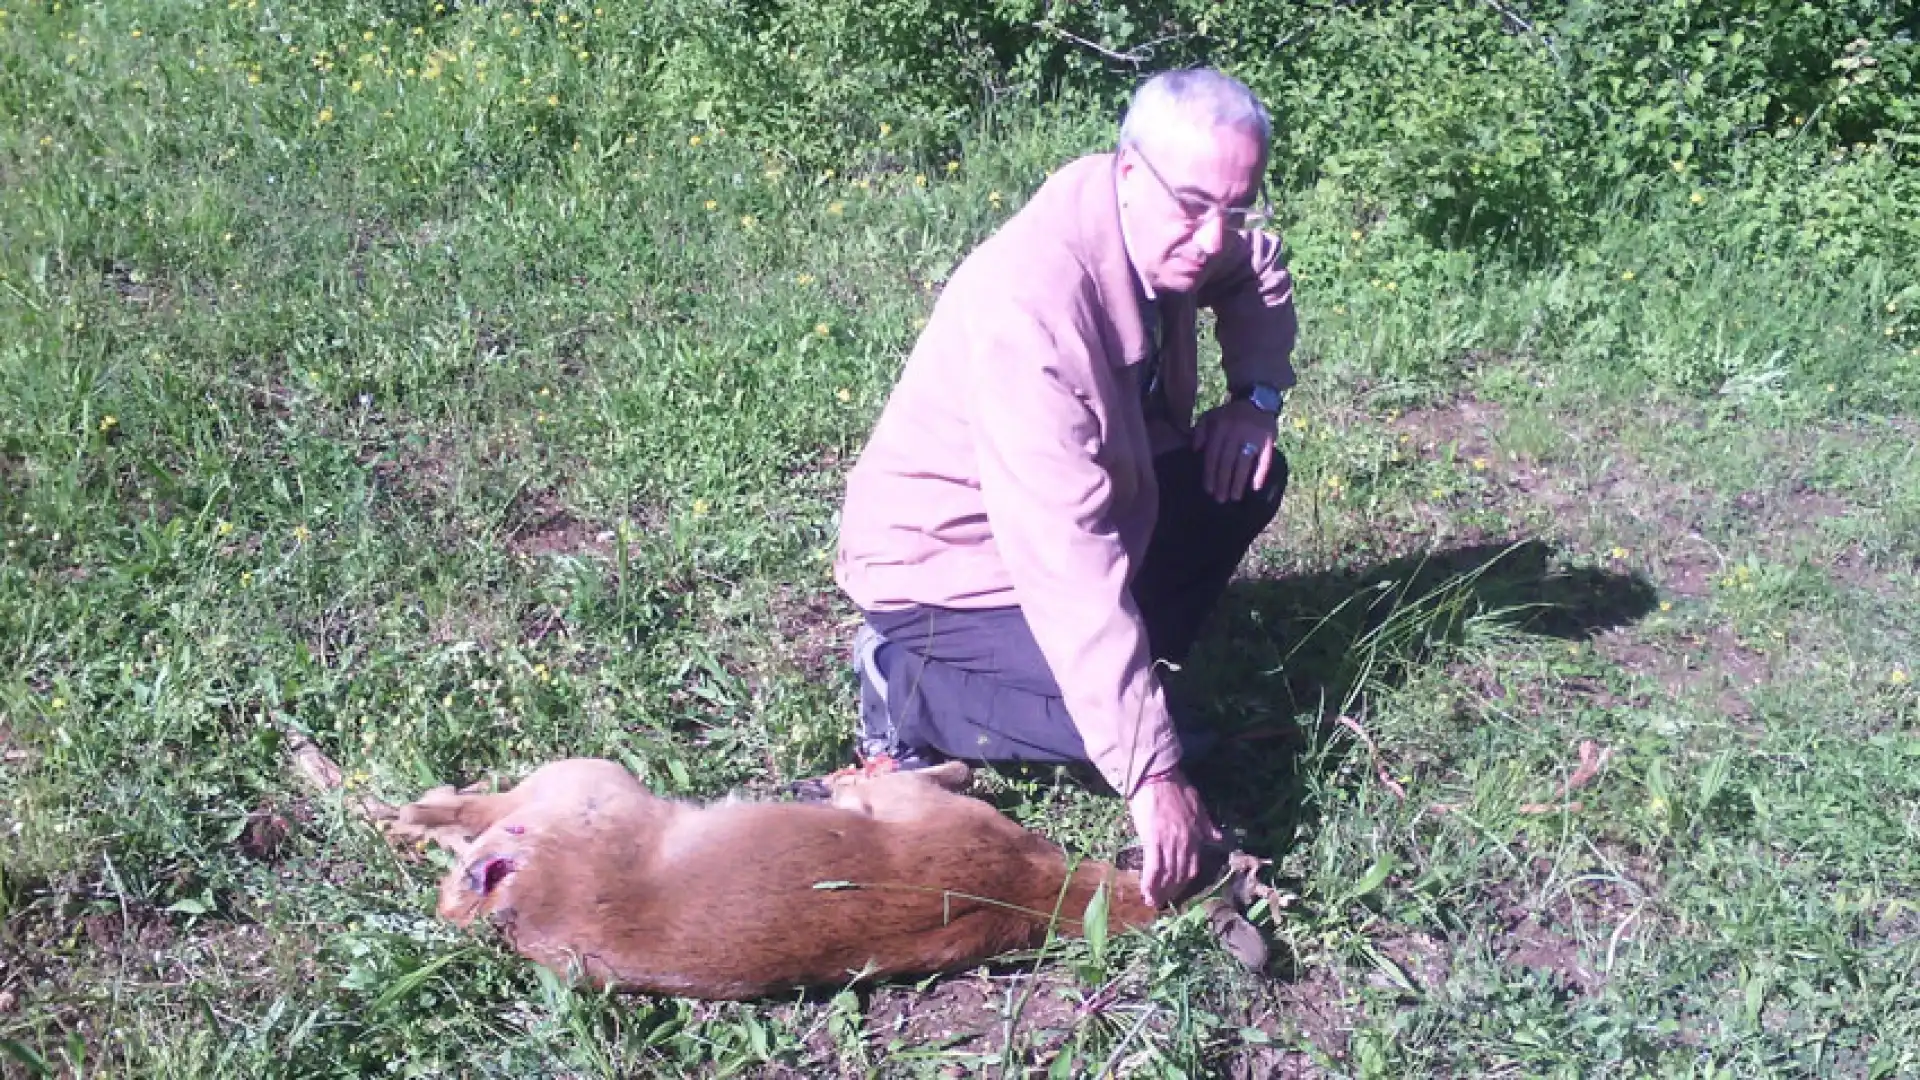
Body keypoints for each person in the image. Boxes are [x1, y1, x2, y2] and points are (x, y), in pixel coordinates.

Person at [831, 68, 1299, 909]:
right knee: (1177, 733)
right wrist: (1152, 771)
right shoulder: (1033, 314)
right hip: (948, 572)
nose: (1211, 236)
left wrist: (1254, 398)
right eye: (1193, 206)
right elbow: (1065, 559)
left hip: (1102, 507)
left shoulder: (1186, 230)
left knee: (1248, 472)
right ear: (1127, 172)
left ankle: (1123, 675)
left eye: (1236, 207)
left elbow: (1257, 268)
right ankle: (906, 683)